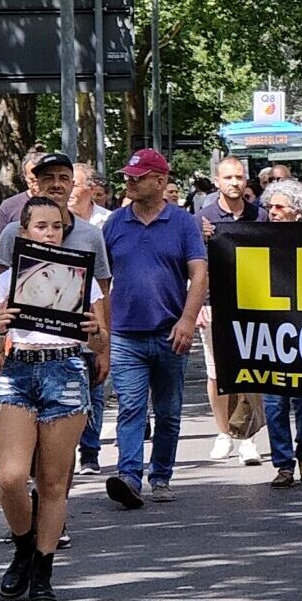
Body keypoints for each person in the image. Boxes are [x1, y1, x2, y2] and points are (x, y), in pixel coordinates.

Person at [0, 197, 103, 601]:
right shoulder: (6, 281)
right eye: (42, 226)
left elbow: (100, 337)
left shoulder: (82, 280)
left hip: (66, 371)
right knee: (11, 476)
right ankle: (22, 546)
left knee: (53, 482)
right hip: (19, 371)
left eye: (57, 226)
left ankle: (43, 569)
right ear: (23, 231)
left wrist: (95, 331)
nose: (50, 233)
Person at [102, 148, 209, 509]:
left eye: (138, 176)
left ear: (160, 181)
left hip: (169, 332)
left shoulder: (182, 223)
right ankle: (129, 476)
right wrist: (100, 326)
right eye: (128, 176)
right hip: (124, 334)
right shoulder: (114, 224)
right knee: (131, 407)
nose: (129, 182)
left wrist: (187, 319)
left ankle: (161, 474)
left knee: (167, 410)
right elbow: (102, 282)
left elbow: (199, 275)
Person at [0, 161, 115, 473]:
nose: (57, 184)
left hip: (73, 354)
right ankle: (36, 504)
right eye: (49, 178)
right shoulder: (12, 233)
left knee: (60, 455)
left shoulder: (90, 235)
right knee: (25, 450)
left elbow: (102, 292)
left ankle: (52, 509)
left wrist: (104, 349)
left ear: (73, 184)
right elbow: (0, 287)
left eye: (64, 178)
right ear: (36, 184)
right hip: (22, 353)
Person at [194, 155, 268, 468]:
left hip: (253, 303)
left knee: (250, 369)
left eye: (239, 177)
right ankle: (223, 431)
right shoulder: (201, 217)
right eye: (228, 178)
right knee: (217, 372)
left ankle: (247, 437)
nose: (234, 183)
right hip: (215, 304)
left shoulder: (260, 215)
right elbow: (193, 264)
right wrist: (198, 304)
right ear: (217, 181)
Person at [258, 179, 302, 483]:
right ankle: (283, 463)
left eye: (279, 207)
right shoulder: (257, 239)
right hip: (271, 330)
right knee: (274, 400)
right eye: (270, 207)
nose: (272, 212)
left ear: (297, 212)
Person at [70, 162, 113, 228]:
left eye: (74, 186)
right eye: (66, 185)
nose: (68, 190)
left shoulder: (110, 220)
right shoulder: (54, 218)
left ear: (91, 189)